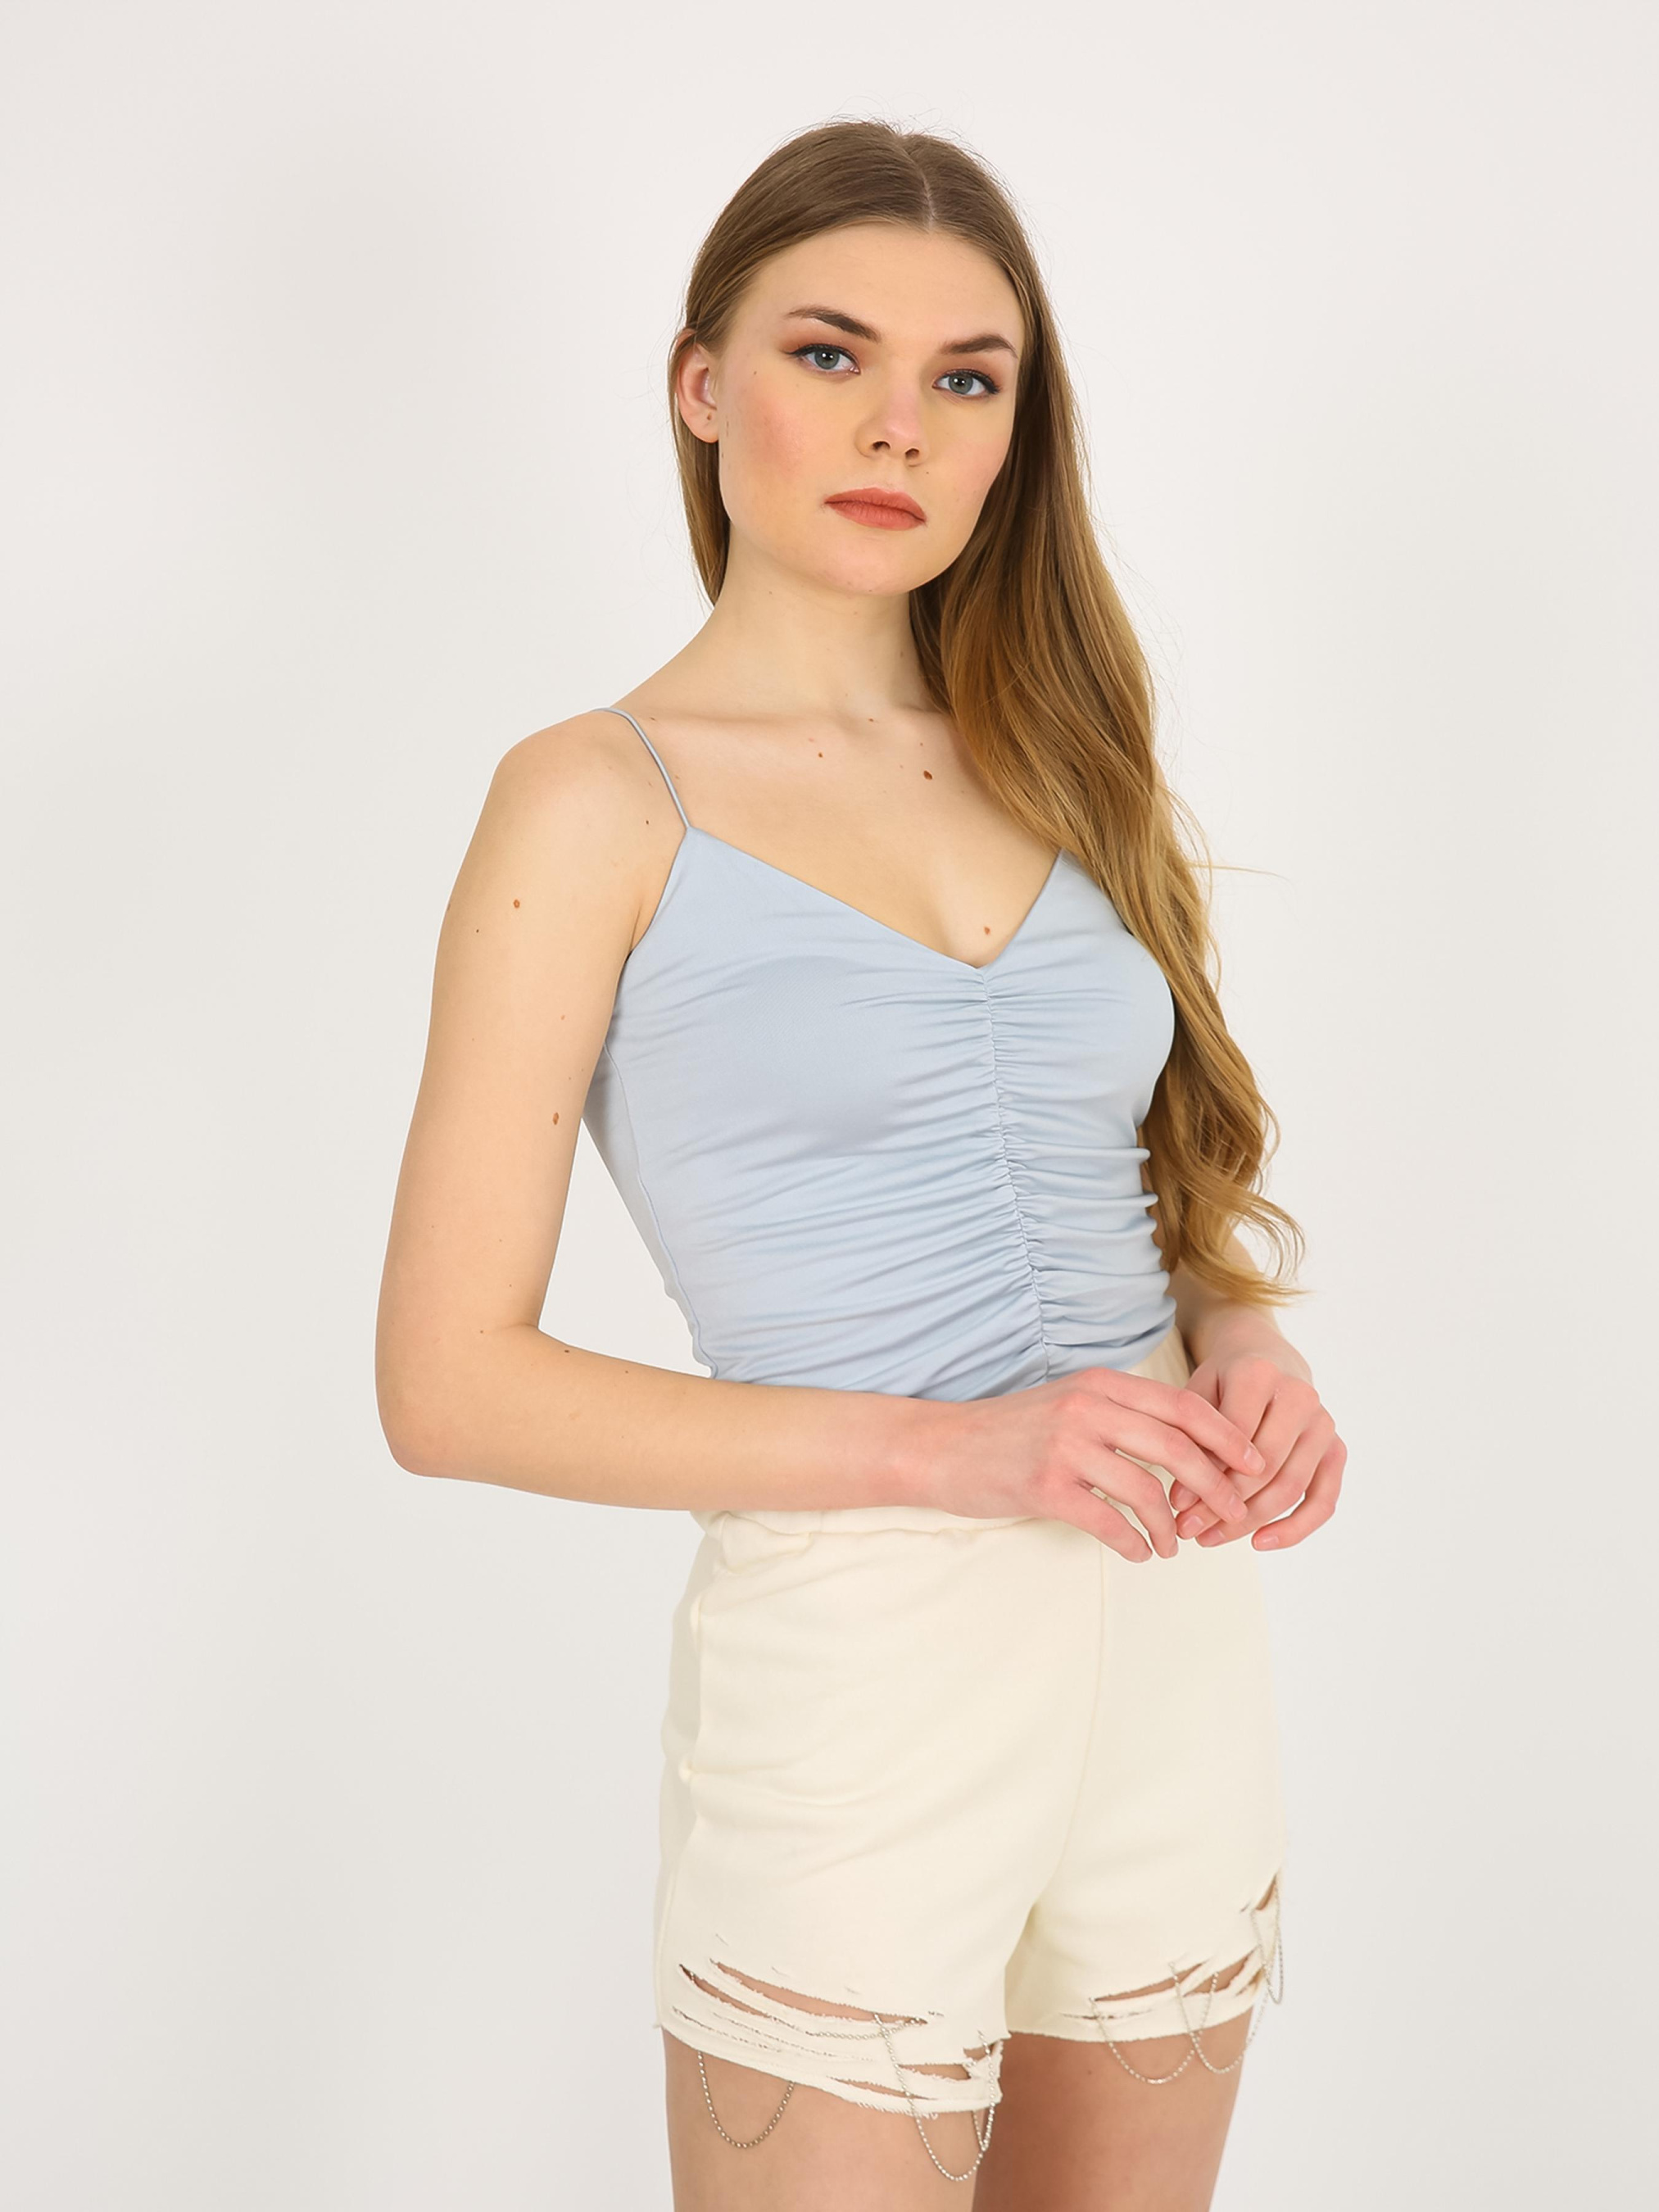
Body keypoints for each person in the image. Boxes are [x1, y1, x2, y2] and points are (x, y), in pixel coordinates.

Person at [375, 117, 1346, 2212]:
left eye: (964, 378)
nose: (899, 423)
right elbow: (446, 1388)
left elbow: (1152, 1181)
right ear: (698, 387)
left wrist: (1242, 1341)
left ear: (1013, 430)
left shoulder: (1066, 760)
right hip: (862, 1664)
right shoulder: (592, 799)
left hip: (1169, 1636)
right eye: (828, 354)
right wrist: (958, 1454)